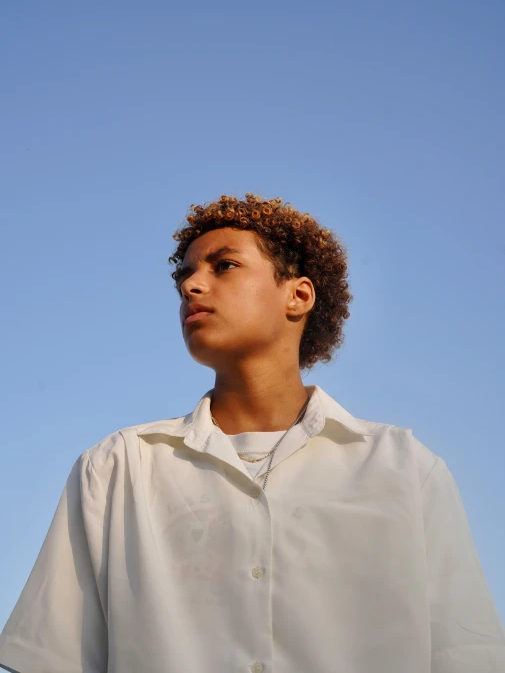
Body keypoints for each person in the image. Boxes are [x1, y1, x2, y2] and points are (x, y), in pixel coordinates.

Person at [0, 193, 504, 673]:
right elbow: (54, 658)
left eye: (224, 266)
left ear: (298, 295)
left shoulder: (404, 468)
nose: (191, 286)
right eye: (186, 275)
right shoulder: (117, 467)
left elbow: (465, 656)